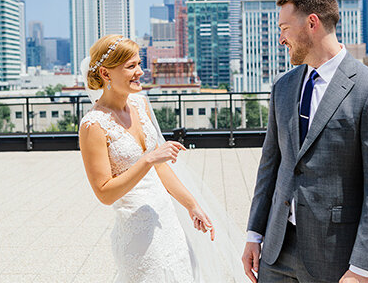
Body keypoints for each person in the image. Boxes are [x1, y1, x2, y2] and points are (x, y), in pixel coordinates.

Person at [241, 0, 368, 283]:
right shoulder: (283, 87)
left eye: (285, 28)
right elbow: (270, 165)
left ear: (312, 23)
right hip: (276, 252)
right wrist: (254, 233)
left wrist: (362, 269)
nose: (281, 38)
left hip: (336, 258)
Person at [78, 34, 245, 282]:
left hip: (167, 221)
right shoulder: (93, 125)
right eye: (131, 66)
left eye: (139, 64)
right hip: (138, 233)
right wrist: (147, 160)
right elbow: (104, 193)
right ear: (105, 73)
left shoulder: (140, 105)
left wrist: (192, 205)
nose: (140, 72)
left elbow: (162, 169)